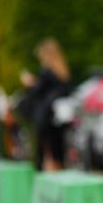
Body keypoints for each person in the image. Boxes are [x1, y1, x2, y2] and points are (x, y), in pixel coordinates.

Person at [21, 38, 72, 171]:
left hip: (45, 116)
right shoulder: (63, 72)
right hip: (58, 117)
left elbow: (37, 91)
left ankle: (42, 179)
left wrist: (29, 83)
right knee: (58, 149)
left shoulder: (46, 72)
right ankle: (60, 172)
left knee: (42, 151)